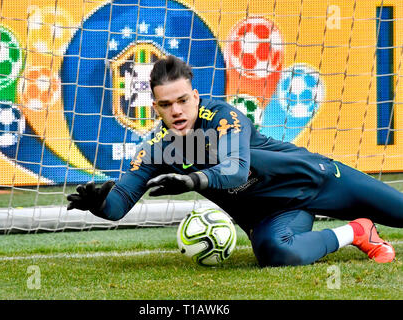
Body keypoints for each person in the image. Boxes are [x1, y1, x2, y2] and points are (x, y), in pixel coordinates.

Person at [67, 55, 403, 267]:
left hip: (317, 181)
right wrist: (98, 203)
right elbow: (119, 203)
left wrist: (192, 181)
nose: (177, 110)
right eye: (167, 104)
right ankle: (359, 231)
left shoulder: (223, 117)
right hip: (272, 216)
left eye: (183, 100)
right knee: (277, 255)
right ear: (156, 108)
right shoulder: (156, 148)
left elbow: (235, 168)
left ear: (195, 97)